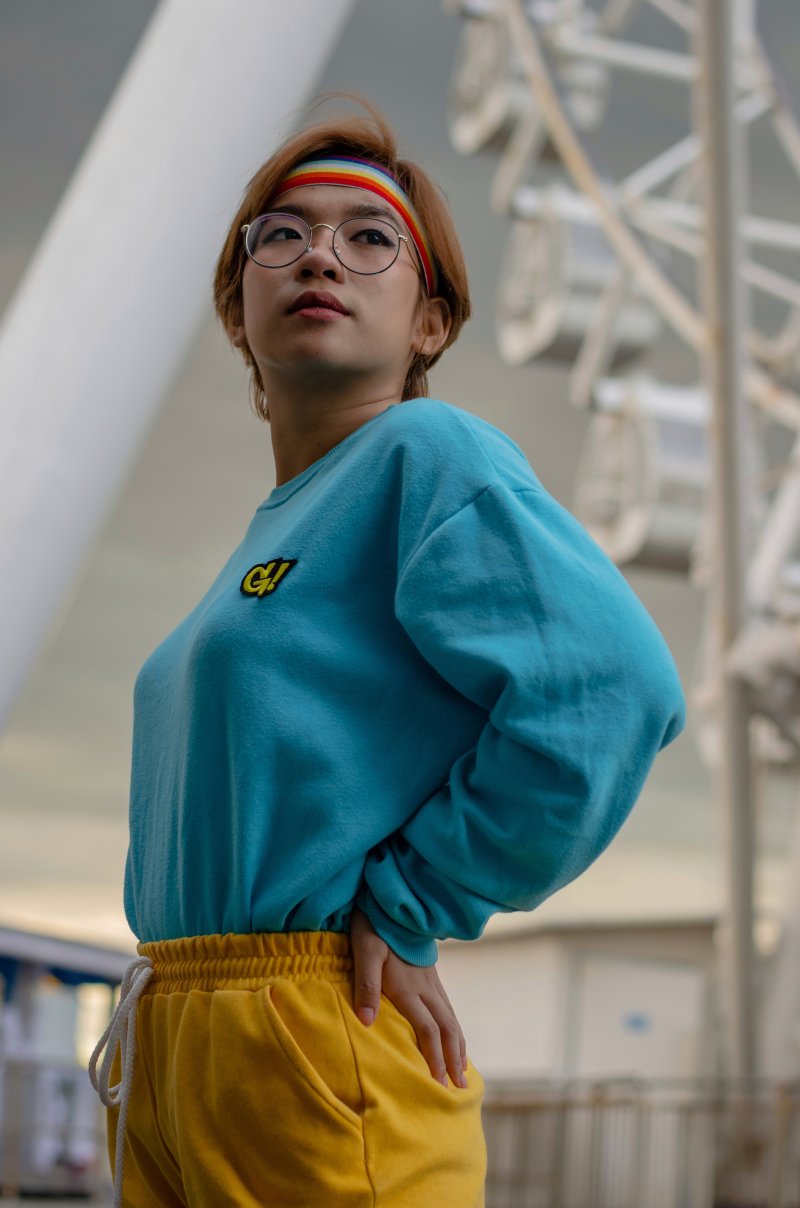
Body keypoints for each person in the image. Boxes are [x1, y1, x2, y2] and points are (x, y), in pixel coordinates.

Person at [88, 96, 686, 1208]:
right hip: (177, 1034)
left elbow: (609, 687)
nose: (321, 252)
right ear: (239, 304)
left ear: (427, 323)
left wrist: (414, 901)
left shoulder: (427, 452)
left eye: (371, 241)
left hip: (310, 1031)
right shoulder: (275, 531)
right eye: (283, 233)